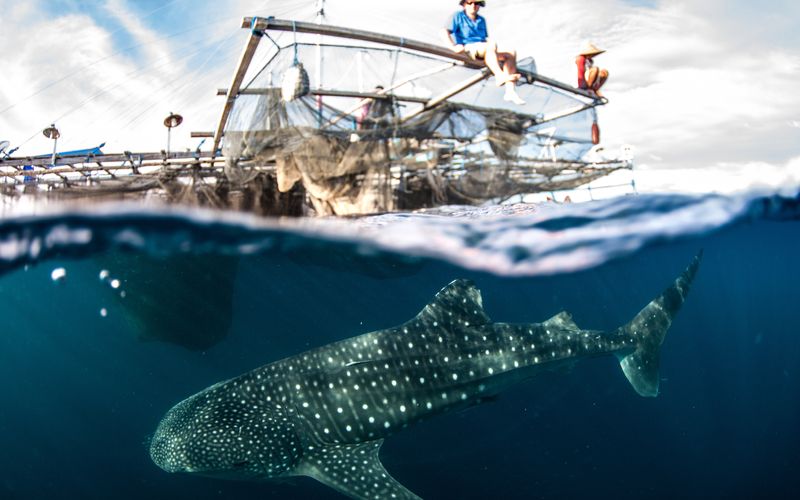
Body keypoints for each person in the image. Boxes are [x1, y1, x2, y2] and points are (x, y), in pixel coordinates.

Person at [441, 1, 525, 105]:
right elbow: (444, 32)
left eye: (476, 3)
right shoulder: (457, 16)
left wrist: (493, 49)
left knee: (510, 53)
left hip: (483, 50)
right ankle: (499, 75)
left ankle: (510, 91)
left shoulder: (481, 20)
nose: (473, 6)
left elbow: (484, 39)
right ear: (464, 4)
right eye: (470, 3)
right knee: (491, 45)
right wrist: (453, 47)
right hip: (468, 49)